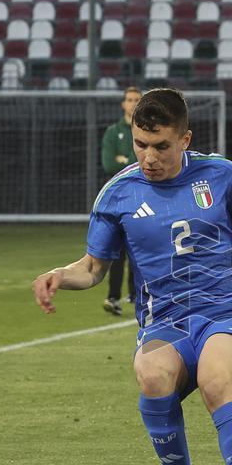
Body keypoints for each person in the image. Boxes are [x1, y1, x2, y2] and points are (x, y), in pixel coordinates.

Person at [33, 88, 232, 465]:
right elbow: (92, 268)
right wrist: (56, 277)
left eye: (161, 146)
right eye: (140, 144)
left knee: (215, 381)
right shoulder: (118, 194)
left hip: (223, 312)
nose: (149, 157)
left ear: (184, 139)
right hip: (164, 321)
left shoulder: (222, 175)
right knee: (151, 375)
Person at [99, 87, 141, 315]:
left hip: (141, 195)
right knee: (116, 249)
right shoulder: (113, 132)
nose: (133, 103)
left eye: (137, 100)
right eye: (129, 99)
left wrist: (123, 160)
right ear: (123, 104)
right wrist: (131, 161)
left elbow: (141, 164)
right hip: (118, 197)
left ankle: (136, 295)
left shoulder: (146, 130)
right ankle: (113, 296)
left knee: (138, 244)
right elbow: (108, 165)